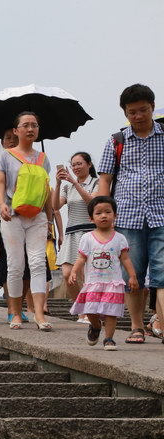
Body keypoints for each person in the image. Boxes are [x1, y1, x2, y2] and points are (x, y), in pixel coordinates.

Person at [96, 83, 164, 345]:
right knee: (132, 276)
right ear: (125, 112)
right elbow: (105, 180)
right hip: (127, 217)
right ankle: (136, 327)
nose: (138, 116)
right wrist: (104, 216)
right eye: (132, 111)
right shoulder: (117, 141)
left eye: (143, 110)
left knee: (162, 274)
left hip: (161, 215)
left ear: (153, 107)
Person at [0, 111, 54, 330]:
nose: (30, 129)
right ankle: (16, 313)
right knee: (15, 265)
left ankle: (38, 314)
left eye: (34, 125)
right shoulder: (4, 156)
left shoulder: (43, 159)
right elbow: (0, 182)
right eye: (26, 125)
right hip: (13, 215)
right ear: (16, 130)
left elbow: (46, 189)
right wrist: (1, 203)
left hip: (37, 216)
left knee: (38, 263)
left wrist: (50, 219)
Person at [68, 197, 139, 350]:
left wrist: (132, 276)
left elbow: (125, 259)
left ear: (115, 215)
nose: (104, 216)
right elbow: (81, 258)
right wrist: (73, 271)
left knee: (111, 312)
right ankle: (95, 326)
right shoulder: (87, 238)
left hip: (113, 283)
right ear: (91, 218)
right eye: (98, 213)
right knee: (90, 309)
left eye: (108, 212)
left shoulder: (120, 238)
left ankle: (109, 339)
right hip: (93, 283)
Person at [53, 152, 100, 321]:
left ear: (89, 164)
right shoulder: (67, 187)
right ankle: (81, 309)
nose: (76, 167)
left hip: (90, 232)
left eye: (79, 164)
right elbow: (55, 206)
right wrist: (58, 183)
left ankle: (91, 312)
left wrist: (74, 182)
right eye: (73, 165)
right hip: (72, 233)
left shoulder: (96, 182)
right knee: (67, 274)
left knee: (88, 276)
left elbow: (92, 202)